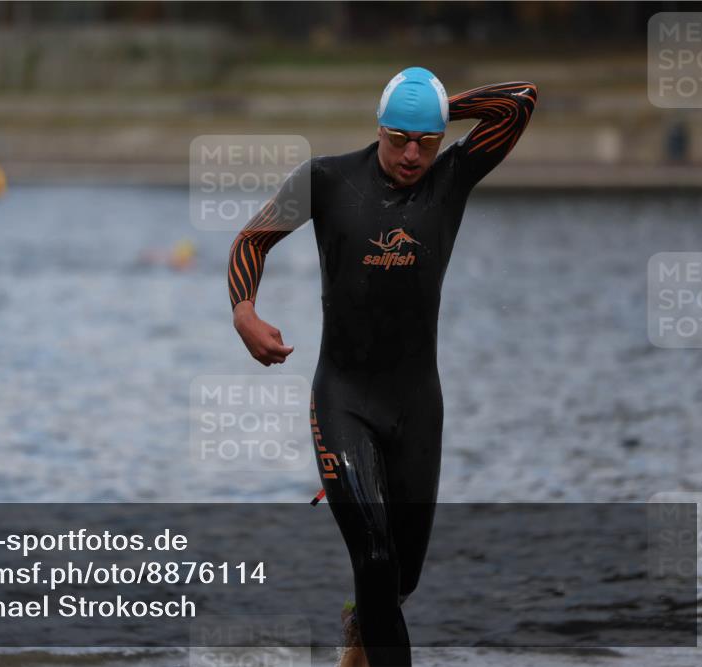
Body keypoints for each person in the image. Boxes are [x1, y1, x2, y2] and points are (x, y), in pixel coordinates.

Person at [227, 67, 537, 666]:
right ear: (379, 127)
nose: (414, 154)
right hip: (344, 399)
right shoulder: (326, 179)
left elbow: (520, 103)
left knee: (399, 578)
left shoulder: (452, 177)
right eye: (400, 138)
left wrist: (446, 107)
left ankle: (358, 632)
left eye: (427, 140)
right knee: (372, 555)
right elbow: (251, 241)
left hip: (417, 405)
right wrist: (244, 311)